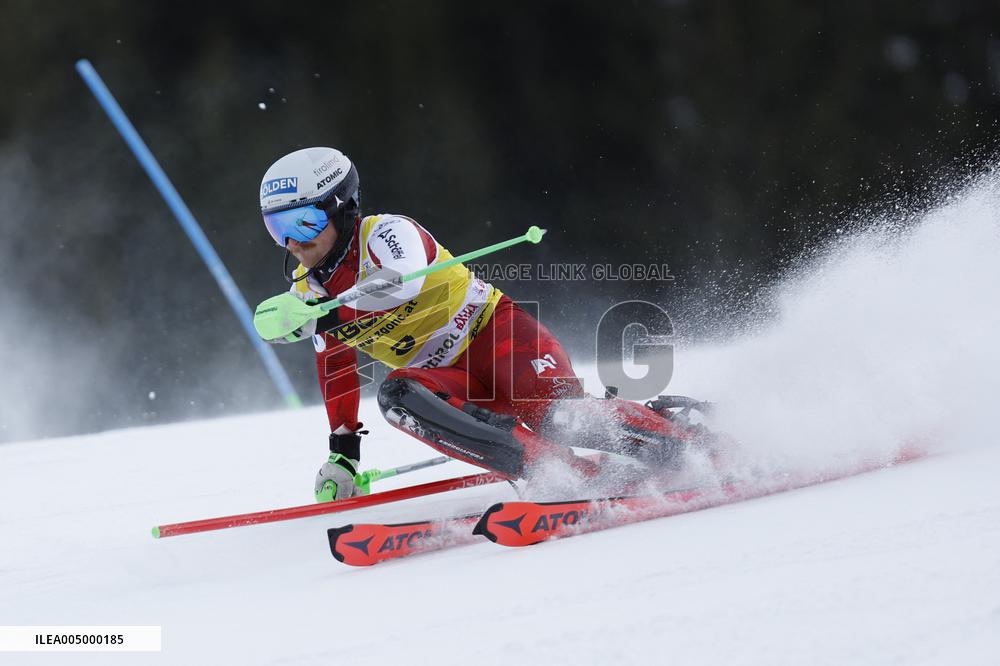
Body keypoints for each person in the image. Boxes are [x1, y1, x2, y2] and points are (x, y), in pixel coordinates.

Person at [258, 147, 700, 501]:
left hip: (497, 337)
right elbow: (335, 367)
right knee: (396, 396)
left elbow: (400, 286)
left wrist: (325, 316)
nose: (293, 242)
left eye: (303, 222)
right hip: (451, 380)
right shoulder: (307, 291)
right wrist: (343, 452)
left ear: (341, 209)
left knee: (559, 418)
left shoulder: (388, 233)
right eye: (277, 228)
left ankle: (693, 445)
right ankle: (555, 472)